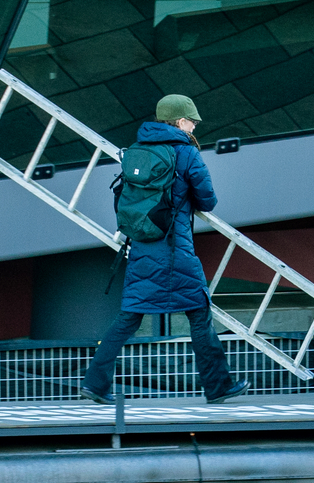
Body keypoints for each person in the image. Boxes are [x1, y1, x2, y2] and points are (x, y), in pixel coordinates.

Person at [79, 94, 247, 406]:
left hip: (142, 246)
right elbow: (208, 200)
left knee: (128, 318)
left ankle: (94, 383)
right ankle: (218, 385)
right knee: (199, 313)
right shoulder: (186, 153)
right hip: (175, 250)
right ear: (179, 121)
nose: (195, 125)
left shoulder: (137, 151)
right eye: (192, 120)